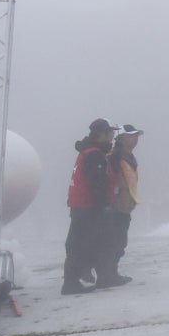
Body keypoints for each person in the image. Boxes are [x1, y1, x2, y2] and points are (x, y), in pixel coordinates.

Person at [62, 117, 118, 294]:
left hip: (80, 206)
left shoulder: (87, 152)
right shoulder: (95, 155)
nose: (112, 136)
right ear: (102, 134)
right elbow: (97, 183)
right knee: (82, 244)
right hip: (88, 207)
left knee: (78, 243)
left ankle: (73, 281)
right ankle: (71, 283)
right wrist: (104, 206)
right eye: (110, 132)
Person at [103, 125, 143, 281]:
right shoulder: (113, 157)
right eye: (132, 136)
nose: (136, 139)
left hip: (125, 206)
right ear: (121, 138)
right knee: (113, 242)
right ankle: (108, 274)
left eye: (137, 136)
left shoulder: (128, 157)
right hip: (114, 206)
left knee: (120, 242)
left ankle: (112, 272)